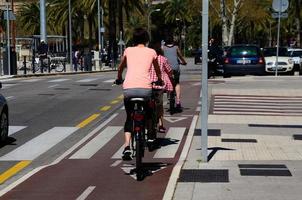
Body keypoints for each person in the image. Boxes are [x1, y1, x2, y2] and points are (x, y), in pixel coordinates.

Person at [115, 28, 163, 161]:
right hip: (145, 89)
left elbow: (121, 67)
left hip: (129, 89)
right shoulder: (152, 52)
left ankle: (126, 147)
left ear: (134, 39)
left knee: (129, 117)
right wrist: (159, 79)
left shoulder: (128, 50)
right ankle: (150, 135)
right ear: (147, 39)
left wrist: (119, 78)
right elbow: (157, 70)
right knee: (149, 111)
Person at [150, 42, 173, 133]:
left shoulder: (148, 58)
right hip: (159, 85)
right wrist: (170, 75)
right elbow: (169, 71)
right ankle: (161, 124)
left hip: (148, 84)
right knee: (159, 105)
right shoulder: (163, 59)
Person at [162, 35, 187, 112]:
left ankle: (168, 93)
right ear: (172, 40)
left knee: (165, 81)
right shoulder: (176, 48)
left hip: (166, 69)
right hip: (175, 68)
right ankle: (178, 101)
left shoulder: (163, 48)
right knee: (177, 83)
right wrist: (184, 62)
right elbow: (180, 56)